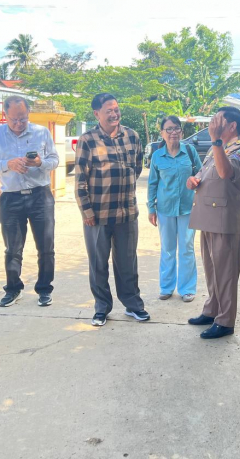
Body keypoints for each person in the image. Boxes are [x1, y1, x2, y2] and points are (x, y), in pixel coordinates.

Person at [75, 93, 149, 326]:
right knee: (98, 264)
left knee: (128, 262)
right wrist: (86, 211)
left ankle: (133, 305)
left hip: (127, 212)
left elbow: (136, 168)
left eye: (116, 109)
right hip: (98, 214)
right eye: (109, 111)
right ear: (97, 113)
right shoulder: (88, 140)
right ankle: (101, 308)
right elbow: (80, 179)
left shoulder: (132, 136)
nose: (115, 114)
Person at [0, 95, 59, 308]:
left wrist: (40, 163)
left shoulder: (41, 132)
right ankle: (13, 288)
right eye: (14, 119)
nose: (18, 124)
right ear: (5, 115)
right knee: (12, 248)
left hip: (40, 195)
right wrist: (8, 164)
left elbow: (54, 160)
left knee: (46, 246)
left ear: (28, 114)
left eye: (23, 119)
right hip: (11, 197)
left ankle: (44, 289)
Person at [187, 107, 240, 339]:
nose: (213, 123)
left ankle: (225, 321)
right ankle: (212, 310)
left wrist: (215, 141)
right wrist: (193, 180)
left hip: (226, 220)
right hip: (208, 218)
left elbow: (225, 173)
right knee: (212, 270)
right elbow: (205, 174)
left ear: (232, 126)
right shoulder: (217, 148)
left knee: (226, 273)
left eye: (218, 120)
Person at [147, 115, 203, 302]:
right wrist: (151, 208)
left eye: (176, 128)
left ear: (181, 131)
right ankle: (166, 287)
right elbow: (152, 183)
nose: (173, 132)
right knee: (168, 249)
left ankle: (187, 289)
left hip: (188, 208)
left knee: (187, 248)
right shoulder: (157, 156)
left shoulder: (190, 151)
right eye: (169, 129)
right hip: (165, 209)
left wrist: (196, 180)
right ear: (162, 133)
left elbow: (201, 173)